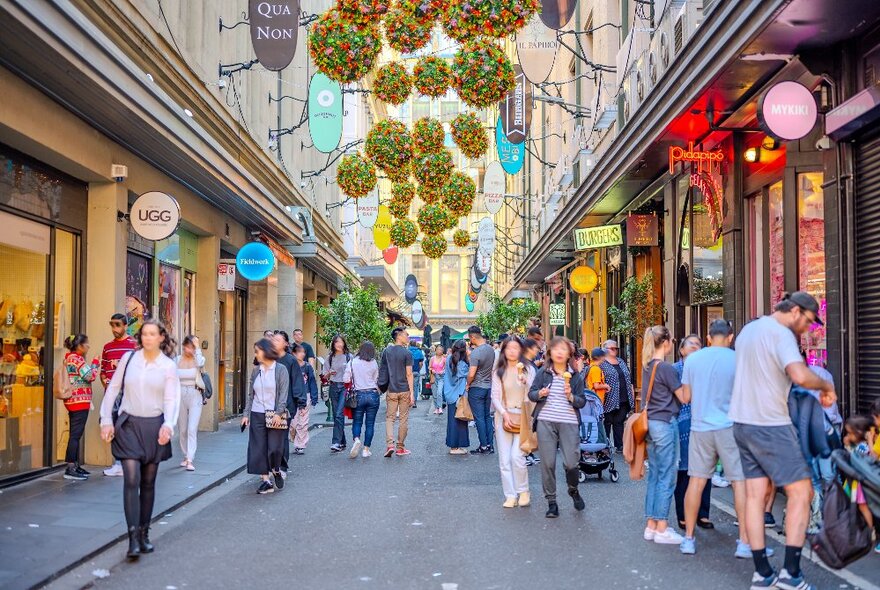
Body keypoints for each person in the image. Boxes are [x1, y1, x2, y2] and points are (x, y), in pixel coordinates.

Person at [729, 292, 836, 589]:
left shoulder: (750, 330)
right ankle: (791, 573)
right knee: (803, 492)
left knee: (754, 495)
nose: (809, 328)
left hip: (742, 423)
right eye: (810, 321)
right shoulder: (781, 334)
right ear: (796, 311)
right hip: (771, 423)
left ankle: (762, 573)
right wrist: (825, 384)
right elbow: (800, 375)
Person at [99, 319, 179, 560]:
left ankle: (144, 533)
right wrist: (105, 419)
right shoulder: (129, 359)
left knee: (148, 482)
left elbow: (171, 399)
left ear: (161, 338)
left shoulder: (168, 366)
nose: (147, 338)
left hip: (154, 426)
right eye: (144, 334)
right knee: (131, 479)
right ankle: (132, 537)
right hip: (128, 424)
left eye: (152, 334)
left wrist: (168, 424)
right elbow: (113, 389)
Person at [679, 322, 756, 559]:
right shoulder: (738, 360)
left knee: (696, 482)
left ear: (709, 337)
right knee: (739, 484)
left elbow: (686, 397)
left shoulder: (692, 360)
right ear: (731, 337)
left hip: (700, 427)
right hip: (730, 427)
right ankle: (743, 543)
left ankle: (689, 539)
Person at [528, 336, 587, 518]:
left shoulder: (575, 375)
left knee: (571, 463)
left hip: (569, 422)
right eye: (556, 349)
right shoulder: (543, 373)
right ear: (550, 353)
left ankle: (573, 489)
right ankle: (551, 502)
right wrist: (540, 393)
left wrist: (571, 397)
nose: (559, 352)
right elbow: (531, 394)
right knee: (548, 463)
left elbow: (582, 401)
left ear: (569, 353)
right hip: (546, 421)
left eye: (563, 349)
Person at [641, 325, 689, 546]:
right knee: (667, 477)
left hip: (650, 424)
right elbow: (684, 397)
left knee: (655, 475)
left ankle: (651, 525)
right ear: (667, 343)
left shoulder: (648, 366)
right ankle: (661, 526)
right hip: (665, 424)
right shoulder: (667, 368)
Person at [672, 335, 713, 532]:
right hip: (682, 425)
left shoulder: (706, 371)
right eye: (691, 344)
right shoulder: (674, 370)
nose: (696, 347)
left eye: (699, 344)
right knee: (684, 472)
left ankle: (703, 514)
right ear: (681, 350)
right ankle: (682, 514)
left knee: (705, 470)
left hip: (704, 422)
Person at [242, 338, 290, 495]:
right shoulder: (256, 370)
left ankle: (275, 469)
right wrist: (246, 414)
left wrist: (278, 413)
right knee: (259, 449)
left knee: (275, 449)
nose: (256, 354)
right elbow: (251, 395)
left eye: (257, 351)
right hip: (257, 414)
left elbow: (283, 394)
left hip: (275, 415)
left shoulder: (281, 369)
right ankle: (266, 481)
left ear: (266, 350)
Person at [492, 336, 535, 508]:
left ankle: (523, 491)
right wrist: (504, 413)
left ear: (521, 350)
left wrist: (526, 383)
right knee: (504, 459)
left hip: (524, 416)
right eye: (508, 348)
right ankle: (510, 495)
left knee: (517, 457)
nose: (511, 351)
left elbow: (534, 394)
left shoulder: (528, 369)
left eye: (515, 348)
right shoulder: (498, 371)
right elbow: (494, 396)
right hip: (504, 416)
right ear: (503, 351)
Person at [100, 313, 137, 477]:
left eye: (117, 325)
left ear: (125, 325)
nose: (114, 328)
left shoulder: (133, 345)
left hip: (129, 394)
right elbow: (103, 370)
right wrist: (107, 386)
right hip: (112, 394)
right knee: (113, 427)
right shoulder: (107, 347)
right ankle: (118, 463)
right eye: (112, 325)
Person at [62, 334, 98, 480]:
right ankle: (71, 467)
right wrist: (95, 363)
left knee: (74, 434)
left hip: (72, 401)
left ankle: (75, 465)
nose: (88, 346)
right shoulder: (77, 359)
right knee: (75, 435)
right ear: (79, 346)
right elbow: (90, 376)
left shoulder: (68, 358)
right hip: (79, 402)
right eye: (86, 344)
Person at [378, 327, 414, 457]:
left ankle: (389, 445)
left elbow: (383, 370)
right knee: (403, 419)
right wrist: (412, 393)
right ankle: (400, 447)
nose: (408, 336)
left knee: (390, 418)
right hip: (404, 390)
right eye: (406, 334)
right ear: (398, 336)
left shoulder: (387, 351)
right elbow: (409, 374)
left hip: (391, 390)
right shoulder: (406, 353)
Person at [272, 332, 301, 476]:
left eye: (278, 340)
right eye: (273, 339)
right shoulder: (268, 359)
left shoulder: (290, 360)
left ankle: (282, 467)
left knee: (282, 436)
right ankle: (272, 465)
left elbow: (297, 381)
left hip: (286, 404)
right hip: (269, 404)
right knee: (271, 436)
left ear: (285, 344)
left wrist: (299, 402)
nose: (274, 342)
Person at [345, 341, 380, 458]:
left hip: (358, 395)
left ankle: (356, 439)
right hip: (372, 394)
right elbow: (376, 379)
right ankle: (366, 449)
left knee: (357, 421)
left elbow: (346, 379)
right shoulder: (374, 362)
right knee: (370, 423)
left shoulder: (353, 362)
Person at [176, 336, 205, 472]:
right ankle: (185, 454)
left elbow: (200, 363)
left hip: (195, 395)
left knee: (192, 428)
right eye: (185, 347)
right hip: (180, 395)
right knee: (182, 429)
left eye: (190, 347)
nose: (187, 350)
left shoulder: (198, 360)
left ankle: (190, 459)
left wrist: (197, 347)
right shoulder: (177, 360)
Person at [842, 415, 876, 533]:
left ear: (859, 433)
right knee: (856, 505)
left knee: (862, 506)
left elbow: (857, 459)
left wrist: (848, 447)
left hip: (860, 483)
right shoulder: (856, 444)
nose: (848, 436)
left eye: (850, 433)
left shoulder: (864, 446)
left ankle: (871, 530)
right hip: (853, 480)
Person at [600, 339, 635, 452]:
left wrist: (632, 392)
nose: (615, 350)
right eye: (612, 348)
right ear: (605, 349)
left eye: (616, 348)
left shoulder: (621, 361)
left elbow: (628, 379)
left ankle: (619, 445)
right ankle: (604, 445)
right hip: (608, 398)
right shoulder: (601, 363)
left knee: (619, 421)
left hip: (623, 397)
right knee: (607, 421)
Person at [466, 326, 496, 455]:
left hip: (477, 387)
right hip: (488, 386)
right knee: (487, 416)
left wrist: (468, 384)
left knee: (479, 418)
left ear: (472, 337)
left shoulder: (476, 353)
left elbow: (472, 373)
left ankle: (483, 445)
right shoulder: (491, 350)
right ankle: (490, 444)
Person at [323, 335, 352, 452]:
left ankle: (335, 442)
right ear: (333, 344)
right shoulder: (330, 357)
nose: (339, 344)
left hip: (344, 387)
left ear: (344, 343)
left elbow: (353, 372)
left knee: (339, 414)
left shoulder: (349, 357)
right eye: (336, 342)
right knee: (336, 416)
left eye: (340, 342)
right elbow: (324, 375)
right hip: (334, 386)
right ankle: (342, 442)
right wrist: (329, 373)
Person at [291, 343, 318, 454]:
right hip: (292, 397)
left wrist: (314, 396)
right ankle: (294, 438)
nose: (302, 354)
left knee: (303, 422)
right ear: (293, 353)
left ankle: (300, 445)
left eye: (303, 352)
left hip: (305, 395)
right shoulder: (290, 366)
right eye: (299, 352)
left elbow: (312, 382)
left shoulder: (307, 367)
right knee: (293, 423)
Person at [444, 340, 470, 455]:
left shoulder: (449, 359)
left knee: (453, 420)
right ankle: (455, 447)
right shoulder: (463, 363)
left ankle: (454, 445)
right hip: (459, 394)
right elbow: (468, 374)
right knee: (461, 419)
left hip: (450, 393)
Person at [429, 345, 447, 415]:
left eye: (441, 350)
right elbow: (429, 367)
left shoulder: (444, 359)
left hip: (441, 377)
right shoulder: (432, 358)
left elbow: (446, 368)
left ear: (442, 351)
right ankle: (436, 408)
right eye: (438, 349)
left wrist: (443, 371)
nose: (439, 351)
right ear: (435, 350)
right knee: (434, 393)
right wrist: (432, 370)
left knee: (439, 392)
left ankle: (440, 408)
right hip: (434, 377)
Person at [409, 339, 425, 408]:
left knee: (408, 387)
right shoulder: (419, 352)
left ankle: (408, 401)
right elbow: (421, 363)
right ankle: (414, 402)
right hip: (416, 372)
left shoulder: (407, 351)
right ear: (415, 344)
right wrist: (418, 369)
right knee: (415, 387)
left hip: (408, 373)